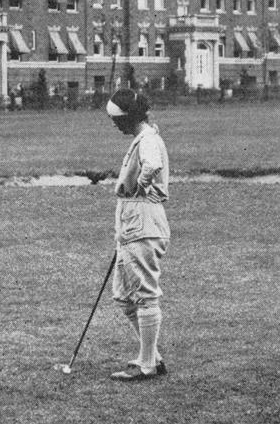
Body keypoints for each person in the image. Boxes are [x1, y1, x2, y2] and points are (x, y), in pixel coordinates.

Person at [104, 88, 171, 381]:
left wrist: (143, 185)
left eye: (117, 120)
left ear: (128, 118)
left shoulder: (148, 140)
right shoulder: (142, 139)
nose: (115, 125)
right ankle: (152, 356)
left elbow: (152, 165)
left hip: (143, 221)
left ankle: (146, 365)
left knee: (144, 295)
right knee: (123, 296)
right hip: (133, 222)